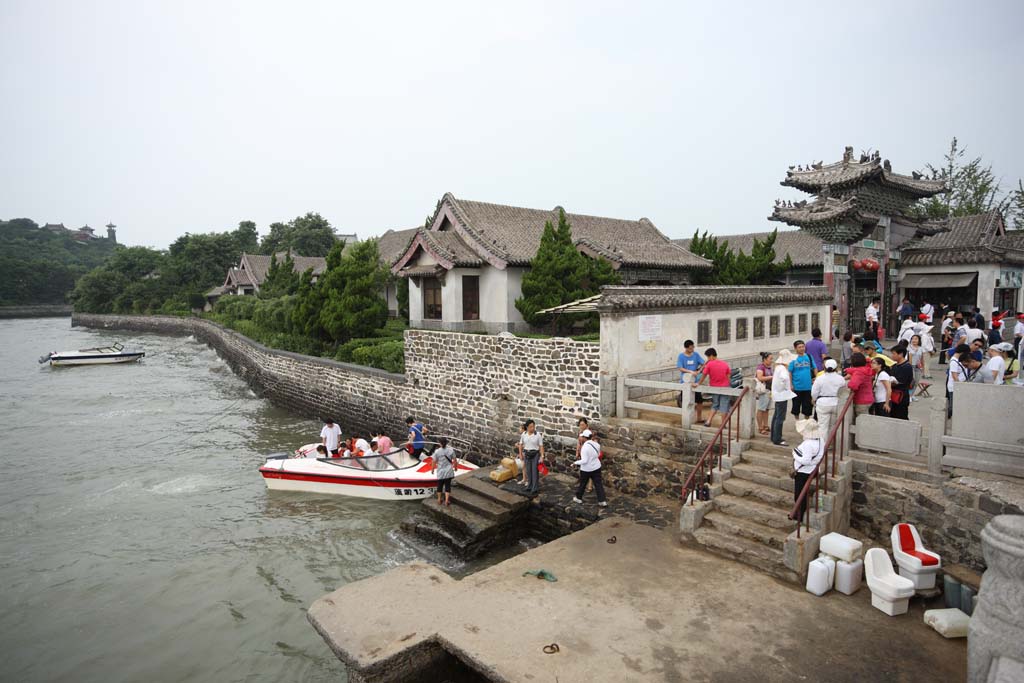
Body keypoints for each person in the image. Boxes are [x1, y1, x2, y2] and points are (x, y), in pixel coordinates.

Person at [791, 419, 825, 520]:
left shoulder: (808, 444)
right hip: (813, 469)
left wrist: (794, 454)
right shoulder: (820, 440)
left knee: (799, 494)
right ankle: (800, 512)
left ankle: (799, 515)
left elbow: (805, 461)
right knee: (803, 493)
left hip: (803, 472)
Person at [697, 347, 731, 427]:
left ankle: (708, 421)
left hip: (714, 388)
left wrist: (698, 383)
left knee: (715, 404)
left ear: (711, 356)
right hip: (725, 387)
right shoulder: (725, 364)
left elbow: (704, 375)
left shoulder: (709, 364)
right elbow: (728, 377)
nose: (708, 359)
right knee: (724, 405)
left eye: (708, 357)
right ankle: (723, 424)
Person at [572, 429, 607, 506]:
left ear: (585, 437)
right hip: (596, 467)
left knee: (583, 484)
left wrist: (575, 462)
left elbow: (584, 461)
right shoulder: (596, 444)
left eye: (582, 437)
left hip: (586, 469)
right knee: (598, 484)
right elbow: (598, 455)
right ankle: (602, 501)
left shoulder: (585, 447)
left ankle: (578, 498)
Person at [811, 359, 845, 440]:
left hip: (823, 403)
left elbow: (814, 392)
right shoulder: (840, 378)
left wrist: (814, 399)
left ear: (825, 367)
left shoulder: (820, 378)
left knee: (822, 426)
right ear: (836, 368)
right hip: (836, 402)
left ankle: (823, 445)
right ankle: (831, 443)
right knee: (833, 425)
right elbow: (843, 391)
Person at [771, 349, 797, 446]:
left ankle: (774, 436)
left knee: (776, 416)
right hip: (781, 395)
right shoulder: (782, 369)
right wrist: (785, 388)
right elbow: (785, 378)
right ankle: (777, 438)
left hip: (778, 394)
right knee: (780, 417)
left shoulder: (778, 367)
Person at [677, 340, 706, 421]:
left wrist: (699, 371)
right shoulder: (681, 356)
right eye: (690, 348)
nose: (692, 349)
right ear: (686, 348)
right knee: (684, 401)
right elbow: (680, 368)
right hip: (685, 382)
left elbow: (704, 363)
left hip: (695, 382)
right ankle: (685, 418)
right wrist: (690, 371)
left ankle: (699, 418)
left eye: (693, 347)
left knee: (699, 400)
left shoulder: (696, 355)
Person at [788, 340, 814, 419]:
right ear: (795, 348)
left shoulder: (809, 356)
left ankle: (806, 421)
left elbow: (815, 367)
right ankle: (797, 421)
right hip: (797, 387)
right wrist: (791, 384)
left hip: (808, 386)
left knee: (808, 406)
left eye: (803, 346)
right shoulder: (793, 359)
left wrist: (816, 378)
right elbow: (790, 372)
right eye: (799, 347)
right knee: (796, 405)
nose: (802, 348)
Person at [518, 419, 545, 496]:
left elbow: (541, 446)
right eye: (530, 427)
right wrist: (520, 454)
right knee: (528, 471)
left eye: (533, 426)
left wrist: (542, 456)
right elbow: (520, 444)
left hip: (535, 454)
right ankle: (529, 486)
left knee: (534, 472)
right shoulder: (524, 434)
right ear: (527, 427)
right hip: (527, 454)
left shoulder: (537, 435)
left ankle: (535, 488)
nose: (532, 428)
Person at [845, 353, 875, 419]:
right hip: (869, 398)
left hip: (861, 401)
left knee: (863, 422)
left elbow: (853, 385)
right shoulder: (866, 369)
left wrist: (847, 384)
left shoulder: (858, 373)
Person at [888, 346, 914, 420]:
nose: (892, 356)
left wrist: (888, 383)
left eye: (894, 354)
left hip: (901, 396)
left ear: (901, 354)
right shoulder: (895, 365)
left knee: (901, 417)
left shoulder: (907, 367)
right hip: (893, 395)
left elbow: (902, 382)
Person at [431, 437, 457, 507]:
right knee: (447, 486)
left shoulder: (437, 451)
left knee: (439, 486)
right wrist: (456, 467)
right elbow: (454, 460)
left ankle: (439, 500)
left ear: (440, 443)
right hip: (448, 471)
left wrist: (432, 469)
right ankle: (446, 501)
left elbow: (433, 461)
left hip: (440, 471)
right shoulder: (451, 450)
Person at [755, 352, 773, 435]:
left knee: (766, 409)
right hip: (764, 391)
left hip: (769, 390)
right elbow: (760, 377)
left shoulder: (769, 367)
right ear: (765, 359)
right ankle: (760, 427)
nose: (771, 361)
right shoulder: (760, 367)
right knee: (761, 409)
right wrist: (771, 377)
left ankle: (766, 425)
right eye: (770, 359)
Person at [907, 335, 925, 400]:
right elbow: (909, 359)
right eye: (913, 339)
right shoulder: (909, 348)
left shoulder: (921, 348)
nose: (914, 340)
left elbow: (922, 359)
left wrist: (923, 367)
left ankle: (912, 395)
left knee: (917, 381)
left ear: (919, 340)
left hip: (918, 367)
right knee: (912, 381)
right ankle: (909, 395)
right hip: (911, 366)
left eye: (916, 339)